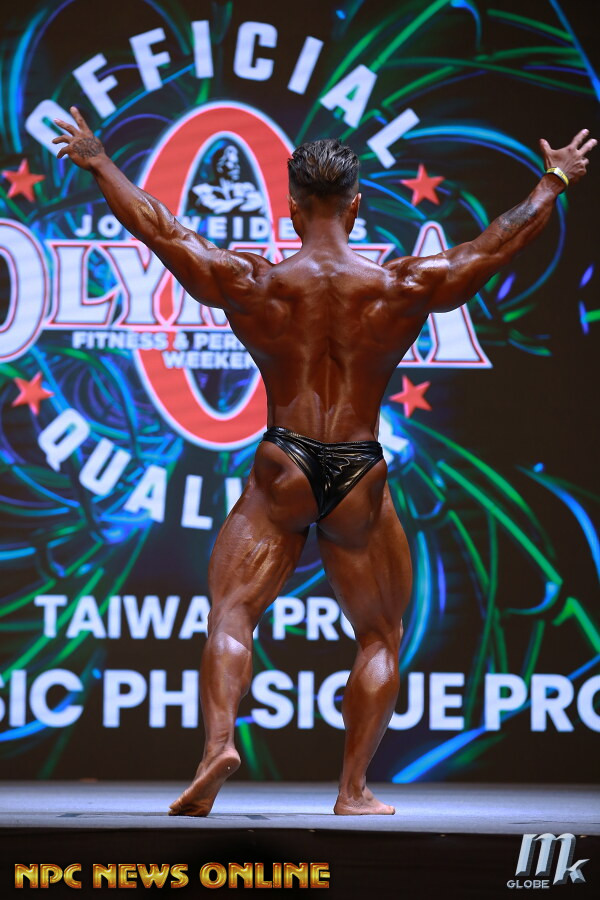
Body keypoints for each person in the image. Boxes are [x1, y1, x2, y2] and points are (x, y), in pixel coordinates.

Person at [53, 108, 595, 816]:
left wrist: (99, 162)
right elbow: (493, 248)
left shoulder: (256, 283)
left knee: (232, 612)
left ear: (291, 206)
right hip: (358, 470)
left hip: (285, 461)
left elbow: (162, 230)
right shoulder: (400, 287)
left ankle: (217, 747)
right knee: (380, 635)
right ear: (356, 204)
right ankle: (353, 790)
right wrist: (553, 181)